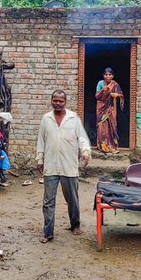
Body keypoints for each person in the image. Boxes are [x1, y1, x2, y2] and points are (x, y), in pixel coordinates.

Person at [36, 90, 91, 243]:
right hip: (51, 166)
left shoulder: (73, 118)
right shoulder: (46, 119)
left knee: (72, 198)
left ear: (65, 102)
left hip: (69, 165)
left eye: (61, 101)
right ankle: (48, 233)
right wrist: (39, 159)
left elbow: (82, 138)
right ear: (51, 101)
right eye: (55, 100)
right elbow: (41, 140)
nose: (58, 103)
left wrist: (85, 152)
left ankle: (75, 225)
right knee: (48, 201)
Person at [95, 67, 124, 153]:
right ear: (103, 76)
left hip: (111, 108)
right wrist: (103, 91)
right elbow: (97, 96)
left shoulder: (115, 84)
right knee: (101, 127)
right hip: (101, 108)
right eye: (106, 74)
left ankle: (111, 146)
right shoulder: (100, 83)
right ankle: (102, 146)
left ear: (113, 76)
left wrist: (115, 95)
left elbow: (120, 95)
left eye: (110, 74)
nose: (108, 76)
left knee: (111, 127)